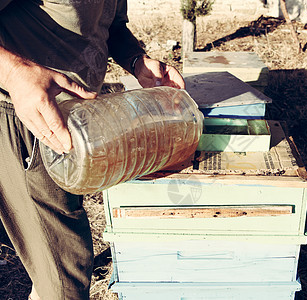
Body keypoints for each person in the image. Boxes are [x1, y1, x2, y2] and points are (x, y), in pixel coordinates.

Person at [0, 0, 185, 299]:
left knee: (50, 267)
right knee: (65, 284)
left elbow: (109, 26)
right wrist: (14, 74)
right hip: (26, 118)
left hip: (75, 123)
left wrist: (137, 60)